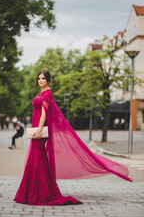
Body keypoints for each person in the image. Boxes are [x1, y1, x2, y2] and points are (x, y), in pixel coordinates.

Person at [14, 68, 132, 206]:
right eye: (39, 78)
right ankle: (34, 190)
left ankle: (40, 192)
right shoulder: (41, 93)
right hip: (36, 129)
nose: (40, 81)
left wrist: (39, 129)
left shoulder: (48, 94)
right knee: (37, 157)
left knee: (37, 156)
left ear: (48, 80)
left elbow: (45, 114)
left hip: (41, 130)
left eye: (43, 79)